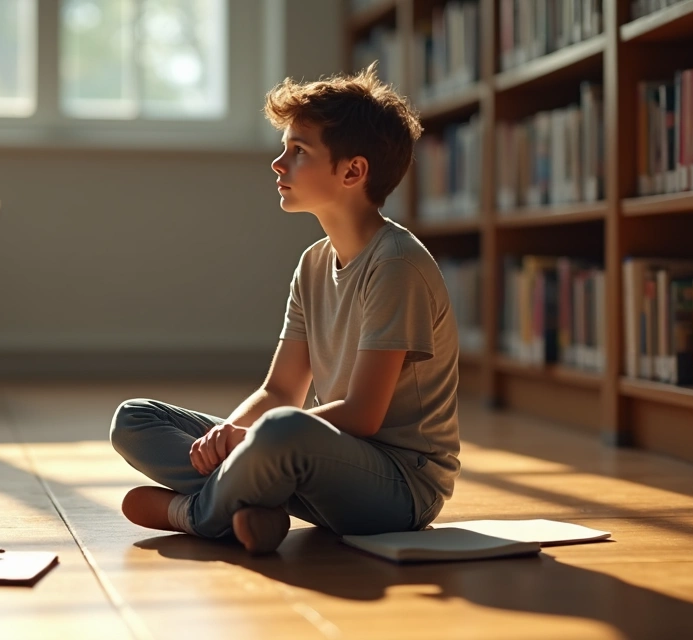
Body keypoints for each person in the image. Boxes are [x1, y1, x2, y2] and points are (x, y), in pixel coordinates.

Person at [109, 63, 460, 554]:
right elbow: (279, 390)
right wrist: (229, 437)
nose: (278, 164)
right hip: (317, 464)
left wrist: (253, 440)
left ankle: (195, 514)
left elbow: (362, 415)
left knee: (280, 430)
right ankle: (248, 505)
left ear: (352, 171)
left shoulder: (396, 265)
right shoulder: (313, 263)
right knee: (136, 417)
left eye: (298, 151)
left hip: (400, 488)